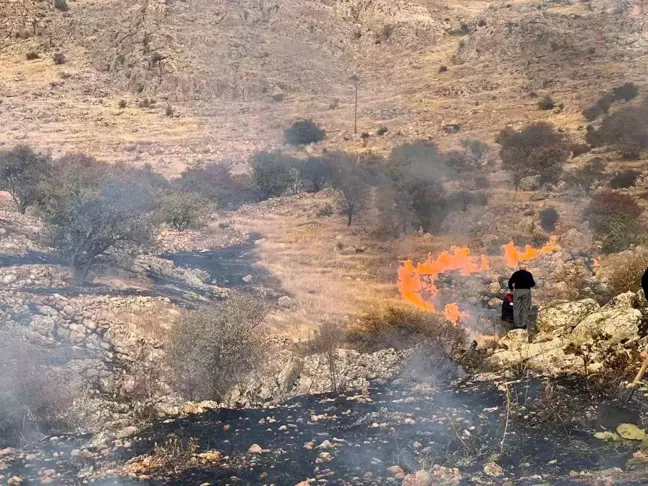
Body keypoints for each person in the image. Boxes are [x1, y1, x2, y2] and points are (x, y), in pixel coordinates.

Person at [508, 263, 535, 329]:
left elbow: (510, 282)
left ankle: (517, 324)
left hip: (517, 291)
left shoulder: (516, 274)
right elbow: (532, 284)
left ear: (519, 268)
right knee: (525, 308)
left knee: (516, 308)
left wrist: (511, 289)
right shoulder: (529, 274)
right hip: (526, 291)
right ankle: (524, 324)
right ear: (525, 268)